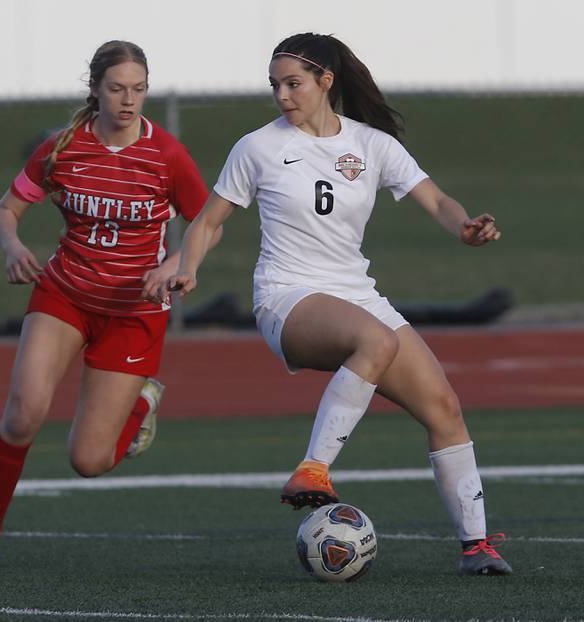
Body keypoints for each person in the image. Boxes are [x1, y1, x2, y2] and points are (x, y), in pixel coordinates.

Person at [165, 33, 511, 576]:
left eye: (293, 83)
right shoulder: (257, 147)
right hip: (287, 297)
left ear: (326, 80)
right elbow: (207, 221)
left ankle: (477, 546)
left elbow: (439, 200)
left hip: (356, 295)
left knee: (444, 407)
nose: (282, 94)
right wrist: (186, 266)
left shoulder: (372, 144)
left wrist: (464, 227)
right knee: (376, 338)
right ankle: (313, 468)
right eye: (275, 85)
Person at [0, 40, 220, 568]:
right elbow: (6, 211)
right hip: (65, 295)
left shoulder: (166, 154)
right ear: (95, 89)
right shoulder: (64, 146)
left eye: (139, 90)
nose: (129, 100)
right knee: (23, 413)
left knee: (89, 461)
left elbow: (206, 222)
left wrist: (176, 264)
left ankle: (142, 400)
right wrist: (12, 246)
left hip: (134, 315)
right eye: (118, 89)